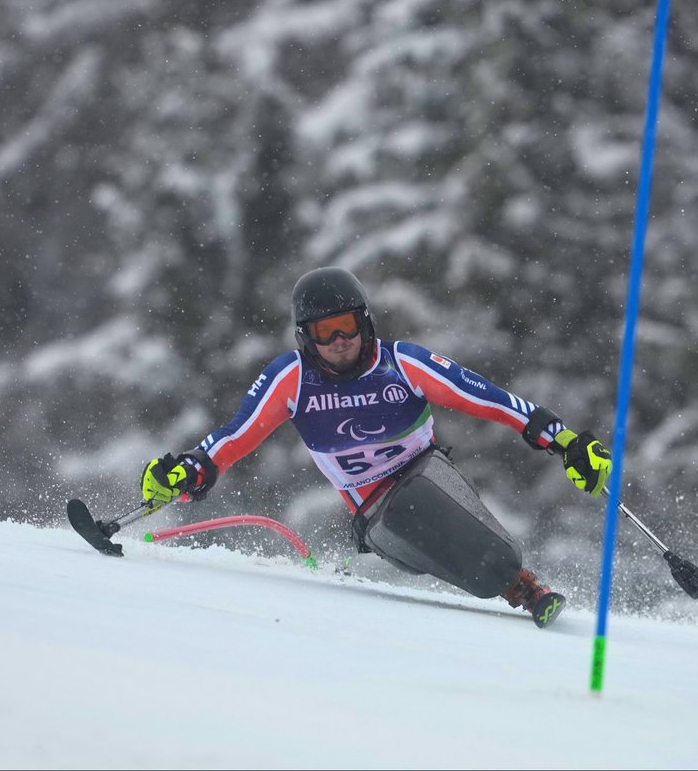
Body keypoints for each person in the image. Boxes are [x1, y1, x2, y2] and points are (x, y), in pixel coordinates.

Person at [140, 267, 612, 628]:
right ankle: (499, 586)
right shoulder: (292, 378)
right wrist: (192, 469)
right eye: (325, 333)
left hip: (428, 478)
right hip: (374, 517)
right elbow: (235, 435)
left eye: (346, 325)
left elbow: (487, 398)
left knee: (419, 501)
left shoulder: (401, 364)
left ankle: (526, 589)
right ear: (307, 337)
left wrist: (563, 440)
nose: (340, 342)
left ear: (365, 322)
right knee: (403, 517)